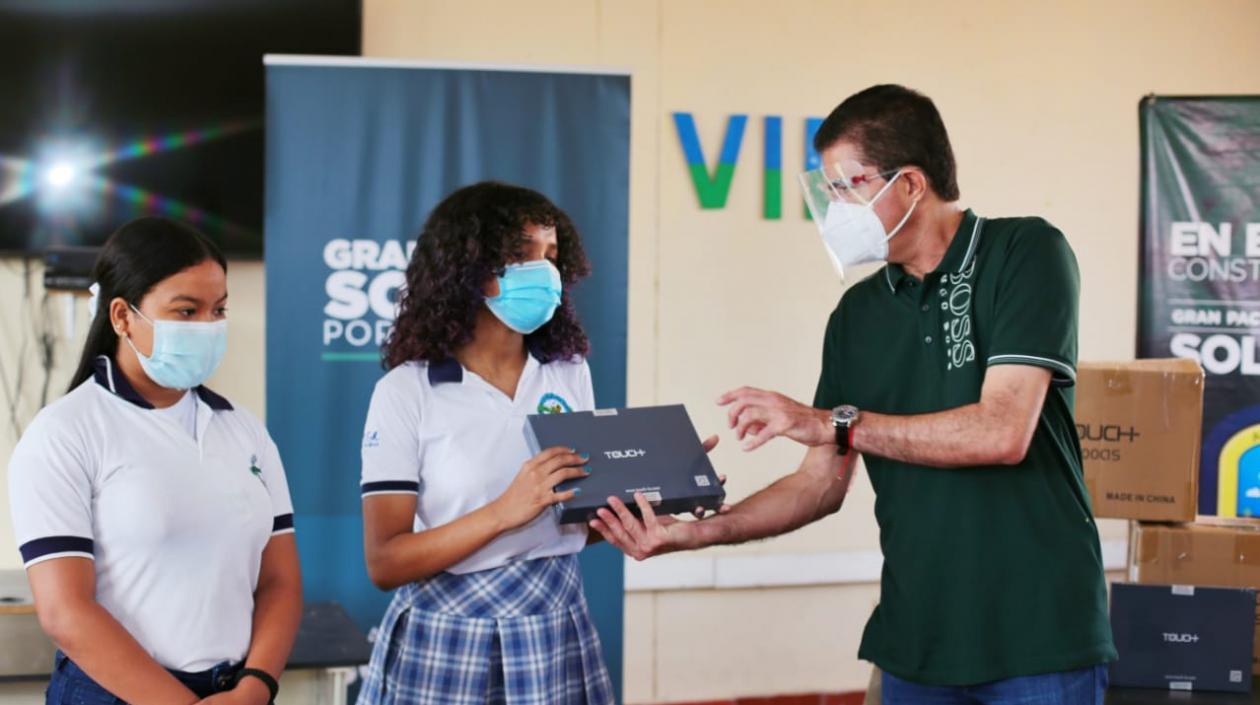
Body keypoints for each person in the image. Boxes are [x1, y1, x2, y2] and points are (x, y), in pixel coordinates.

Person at [590, 85, 1117, 705]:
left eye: (849, 185)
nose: (835, 207)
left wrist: (835, 424)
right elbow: (820, 485)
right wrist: (700, 532)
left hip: (1041, 638)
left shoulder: (1024, 252)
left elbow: (1001, 431)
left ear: (912, 184)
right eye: (829, 189)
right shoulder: (857, 314)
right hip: (916, 640)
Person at [8, 217, 302, 704]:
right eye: (186, 312)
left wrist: (255, 687)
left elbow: (280, 581)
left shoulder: (244, 430)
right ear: (122, 317)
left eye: (219, 309)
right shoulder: (65, 432)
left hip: (232, 692)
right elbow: (65, 611)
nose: (208, 327)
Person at [356, 182, 616, 705]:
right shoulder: (407, 390)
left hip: (556, 623)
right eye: (521, 254)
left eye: (551, 255)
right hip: (449, 639)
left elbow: (569, 526)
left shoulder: (568, 374)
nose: (543, 271)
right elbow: (386, 562)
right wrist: (504, 512)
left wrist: (644, 494)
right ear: (468, 267)